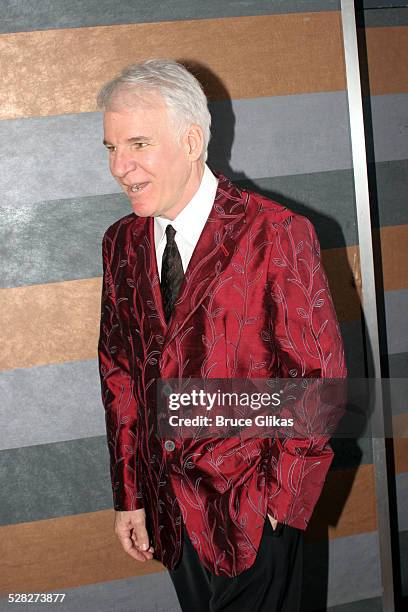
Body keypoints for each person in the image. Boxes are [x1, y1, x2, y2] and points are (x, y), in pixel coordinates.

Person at [97, 59, 347, 612]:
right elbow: (119, 373)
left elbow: (318, 379)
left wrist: (280, 503)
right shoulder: (120, 244)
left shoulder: (274, 232)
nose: (121, 166)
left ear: (191, 141)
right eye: (111, 148)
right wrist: (131, 495)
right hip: (169, 512)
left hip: (254, 512)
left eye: (138, 144)